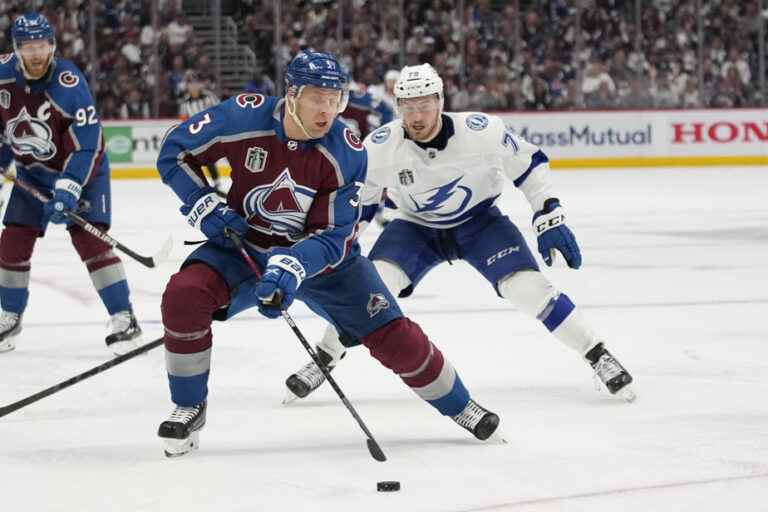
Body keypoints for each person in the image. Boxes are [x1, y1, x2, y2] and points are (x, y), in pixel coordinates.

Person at [154, 51, 501, 458]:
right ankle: (190, 405)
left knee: (393, 335)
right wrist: (202, 203)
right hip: (243, 246)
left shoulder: (347, 152)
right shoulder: (241, 117)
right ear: (292, 93)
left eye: (335, 98)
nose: (328, 109)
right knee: (184, 295)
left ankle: (461, 406)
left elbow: (334, 234)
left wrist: (292, 265)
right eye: (317, 97)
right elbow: (173, 151)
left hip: (327, 265)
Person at [284, 63, 636, 404]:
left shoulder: (482, 131)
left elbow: (529, 165)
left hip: (480, 223)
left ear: (440, 101)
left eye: (424, 105)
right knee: (372, 291)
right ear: (398, 107)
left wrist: (549, 214)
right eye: (408, 107)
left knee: (527, 289)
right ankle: (324, 358)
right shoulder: (379, 146)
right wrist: (333, 243)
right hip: (414, 227)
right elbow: (361, 203)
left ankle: (598, 354)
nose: (417, 117)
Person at [0, 12, 142, 355]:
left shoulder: (69, 84)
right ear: (17, 49)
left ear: (52, 45)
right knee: (12, 241)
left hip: (83, 173)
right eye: (28, 47)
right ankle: (9, 316)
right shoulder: (2, 76)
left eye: (42, 45)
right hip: (32, 172)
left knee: (90, 241)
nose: (36, 54)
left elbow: (88, 144)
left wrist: (70, 185)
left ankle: (124, 318)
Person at [178, 71, 224, 194]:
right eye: (190, 84)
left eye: (196, 83)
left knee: (229, 154)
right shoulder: (185, 103)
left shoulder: (210, 97)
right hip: (199, 137)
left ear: (200, 84)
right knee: (203, 158)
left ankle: (239, 179)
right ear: (187, 86)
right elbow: (183, 121)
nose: (193, 86)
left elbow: (221, 111)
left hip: (216, 132)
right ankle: (214, 183)